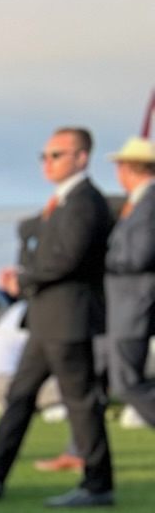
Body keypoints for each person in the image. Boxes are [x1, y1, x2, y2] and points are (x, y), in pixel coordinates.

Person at [0, 127, 114, 507]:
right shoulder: (61, 203)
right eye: (45, 155)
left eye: (57, 155)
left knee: (80, 402)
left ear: (81, 158)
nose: (47, 163)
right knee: (20, 396)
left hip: (68, 318)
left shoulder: (86, 201)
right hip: (45, 319)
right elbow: (45, 248)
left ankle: (98, 484)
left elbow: (68, 260)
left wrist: (25, 278)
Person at [99, 135, 155, 433]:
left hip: (134, 306)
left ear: (130, 168)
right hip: (123, 307)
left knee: (128, 383)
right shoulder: (138, 204)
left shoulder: (149, 203)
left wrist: (102, 261)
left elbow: (141, 255)